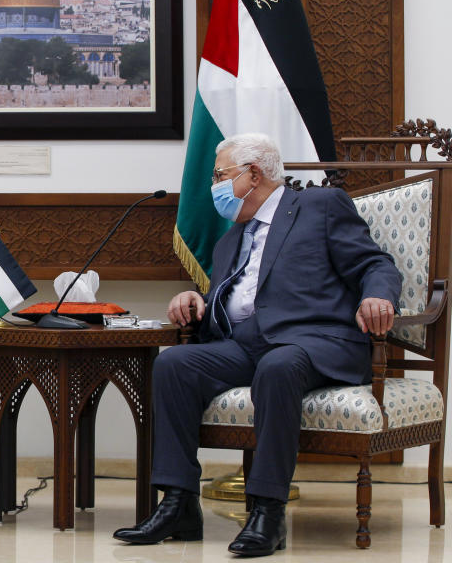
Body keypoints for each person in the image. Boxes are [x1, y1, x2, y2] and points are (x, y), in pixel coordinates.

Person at [113, 133, 401, 556]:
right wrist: (198, 300)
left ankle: (267, 511)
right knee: (174, 364)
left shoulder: (318, 206)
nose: (214, 185)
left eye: (220, 175)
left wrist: (378, 296)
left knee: (279, 365)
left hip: (314, 340)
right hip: (248, 344)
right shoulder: (231, 238)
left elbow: (375, 263)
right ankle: (178, 505)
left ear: (253, 174)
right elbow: (234, 300)